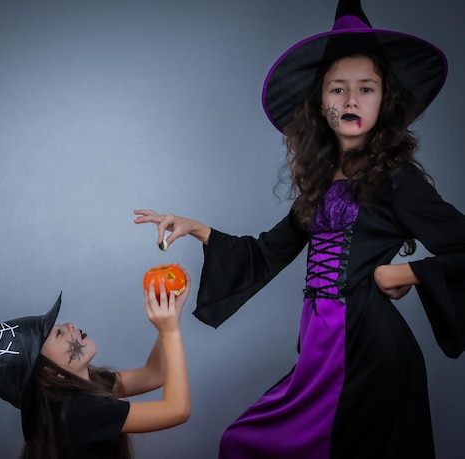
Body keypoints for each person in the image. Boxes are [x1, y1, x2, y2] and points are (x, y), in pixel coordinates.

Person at [134, 1, 465, 458]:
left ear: (384, 100)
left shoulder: (397, 179)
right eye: (338, 89)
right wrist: (196, 228)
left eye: (366, 88)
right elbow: (267, 252)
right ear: (320, 104)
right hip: (320, 349)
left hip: (369, 351)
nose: (351, 100)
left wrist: (404, 274)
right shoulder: (320, 182)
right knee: (243, 442)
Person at [0, 270, 192, 459]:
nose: (69, 325)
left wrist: (170, 319)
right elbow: (177, 410)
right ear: (50, 374)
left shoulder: (92, 383)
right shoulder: (81, 411)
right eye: (58, 333)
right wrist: (170, 332)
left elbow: (156, 374)